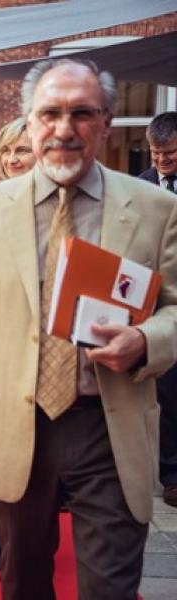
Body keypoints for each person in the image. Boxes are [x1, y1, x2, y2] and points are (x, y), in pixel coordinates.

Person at [0, 59, 177, 599]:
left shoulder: (156, 208)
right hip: (16, 424)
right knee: (24, 582)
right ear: (30, 122)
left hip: (110, 427)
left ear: (106, 123)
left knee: (110, 588)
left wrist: (146, 339)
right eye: (50, 113)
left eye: (82, 114)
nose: (63, 128)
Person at [0, 117, 38, 572]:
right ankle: (3, 551)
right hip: (0, 344)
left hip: (50, 348)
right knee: (1, 452)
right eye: (7, 151)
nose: (13, 159)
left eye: (22, 149)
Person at [140, 111, 177, 508]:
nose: (163, 160)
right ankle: (171, 474)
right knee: (168, 389)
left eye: (170, 153)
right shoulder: (141, 188)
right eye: (156, 153)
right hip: (158, 302)